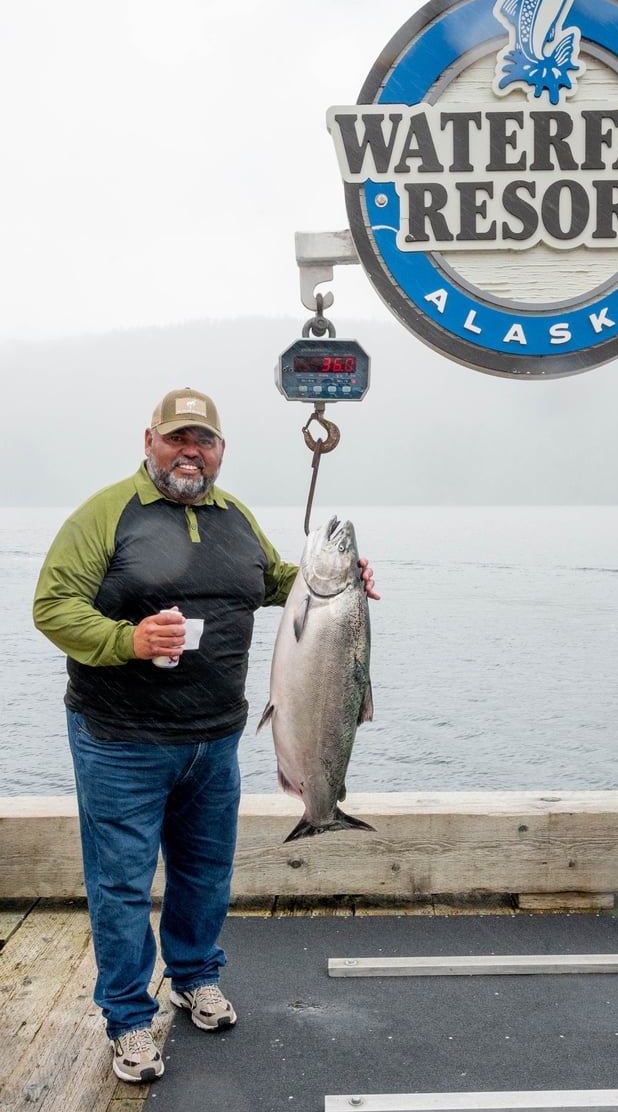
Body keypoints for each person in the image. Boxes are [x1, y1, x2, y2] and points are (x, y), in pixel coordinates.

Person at [32, 386, 378, 1085]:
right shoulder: (106, 514)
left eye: (205, 440)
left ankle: (194, 976)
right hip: (120, 739)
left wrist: (335, 587)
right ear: (150, 440)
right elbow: (52, 606)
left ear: (221, 451)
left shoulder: (234, 515)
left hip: (214, 740)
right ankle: (130, 1018)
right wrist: (125, 639)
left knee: (203, 873)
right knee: (122, 885)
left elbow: (271, 579)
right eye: (178, 438)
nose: (191, 452)